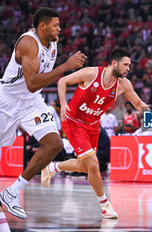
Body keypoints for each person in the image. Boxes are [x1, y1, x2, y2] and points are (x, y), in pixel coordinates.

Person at [40, 48, 149, 219]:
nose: (129, 68)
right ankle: (105, 205)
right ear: (114, 63)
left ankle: (53, 167)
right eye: (126, 65)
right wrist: (63, 105)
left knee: (86, 166)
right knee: (93, 164)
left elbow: (139, 103)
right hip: (73, 122)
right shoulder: (91, 73)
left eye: (130, 65)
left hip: (92, 126)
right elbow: (62, 82)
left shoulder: (123, 84)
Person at [0, 7, 86, 220]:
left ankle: (11, 193)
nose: (59, 28)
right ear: (42, 26)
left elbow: (34, 88)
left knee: (54, 143)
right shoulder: (28, 43)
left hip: (32, 103)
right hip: (7, 101)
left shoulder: (53, 44)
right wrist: (65, 66)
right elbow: (31, 83)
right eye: (55, 25)